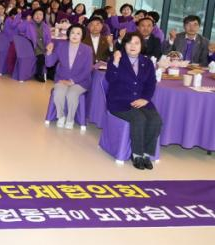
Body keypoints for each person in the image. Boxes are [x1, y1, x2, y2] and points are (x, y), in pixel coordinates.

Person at [106, 32, 162, 170]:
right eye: (129, 42)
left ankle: (146, 154)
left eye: (136, 43)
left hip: (141, 101)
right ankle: (136, 154)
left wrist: (145, 99)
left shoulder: (147, 62)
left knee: (156, 120)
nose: (133, 46)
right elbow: (110, 79)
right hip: (119, 101)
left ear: (141, 45)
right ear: (124, 45)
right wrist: (115, 62)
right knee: (139, 118)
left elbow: (151, 84)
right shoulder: (117, 59)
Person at [45, 24, 93, 129]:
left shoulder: (87, 50)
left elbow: (87, 70)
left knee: (72, 94)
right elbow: (49, 64)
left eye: (78, 33)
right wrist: (49, 52)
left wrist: (73, 81)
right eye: (72, 33)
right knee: (58, 92)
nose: (75, 35)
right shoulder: (61, 46)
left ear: (82, 36)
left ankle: (70, 119)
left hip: (81, 81)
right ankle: (61, 116)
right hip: (62, 79)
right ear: (68, 34)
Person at [17, 8, 52, 82]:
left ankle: (50, 74)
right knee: (41, 57)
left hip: (42, 47)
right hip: (31, 47)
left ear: (43, 16)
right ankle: (38, 74)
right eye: (36, 14)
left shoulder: (46, 26)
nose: (38, 16)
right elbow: (19, 28)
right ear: (33, 16)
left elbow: (48, 38)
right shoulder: (28, 24)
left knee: (50, 54)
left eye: (40, 14)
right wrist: (26, 21)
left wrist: (48, 45)